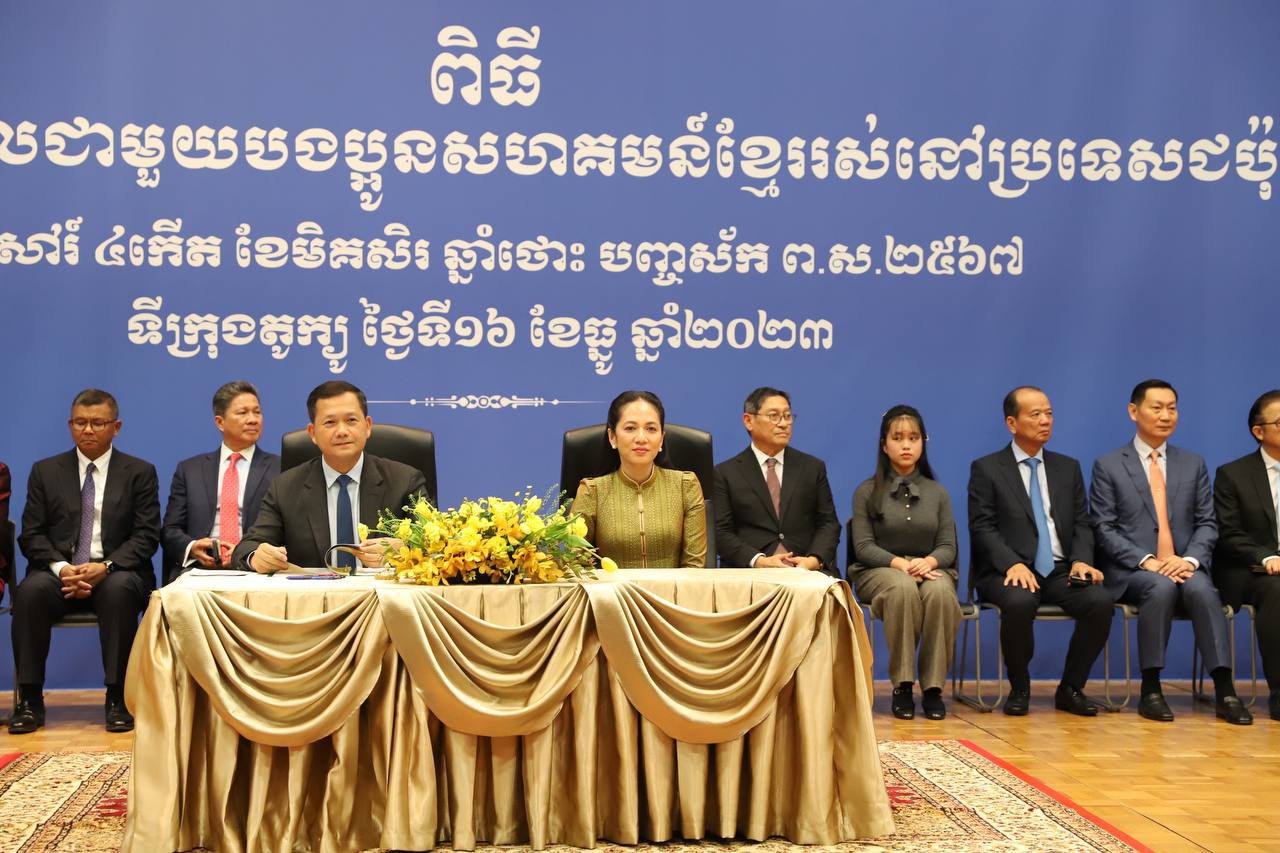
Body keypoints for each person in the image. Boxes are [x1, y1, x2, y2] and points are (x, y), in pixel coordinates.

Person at [1092, 379, 1251, 725]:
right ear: (1133, 411)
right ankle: (1151, 690)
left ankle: (1225, 690)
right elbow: (1104, 528)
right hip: (1135, 570)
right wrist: (1147, 560)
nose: (1166, 416)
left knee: (1203, 590)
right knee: (1159, 587)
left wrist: (1189, 559)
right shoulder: (1109, 465)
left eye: (1172, 408)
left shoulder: (1192, 463)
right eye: (1157, 407)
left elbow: (1207, 522)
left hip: (1184, 565)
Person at [9, 389, 161, 734]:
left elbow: (146, 536)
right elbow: (32, 535)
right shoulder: (45, 471)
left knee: (120, 590)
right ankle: (30, 700)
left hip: (116, 572)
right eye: (80, 422)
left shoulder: (139, 472)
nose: (88, 430)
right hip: (59, 573)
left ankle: (118, 698)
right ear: (70, 425)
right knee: (30, 592)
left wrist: (104, 568)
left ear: (116, 427)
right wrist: (63, 569)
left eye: (97, 423)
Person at [969, 386, 1113, 717]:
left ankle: (1071, 688)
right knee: (1019, 602)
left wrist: (1081, 560)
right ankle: (1020, 687)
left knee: (1100, 602)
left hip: (1060, 570)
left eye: (1049, 414)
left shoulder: (1067, 467)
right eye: (1035, 415)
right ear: (1012, 423)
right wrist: (1011, 563)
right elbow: (982, 527)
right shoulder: (988, 468)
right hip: (1008, 570)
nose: (1045, 421)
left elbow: (1082, 522)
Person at [231, 381, 426, 572]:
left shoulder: (405, 481)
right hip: (314, 593)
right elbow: (248, 547)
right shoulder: (284, 488)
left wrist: (407, 549)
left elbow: (435, 544)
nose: (342, 431)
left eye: (351, 420)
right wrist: (256, 557)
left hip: (382, 592)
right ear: (312, 433)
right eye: (330, 422)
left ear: (367, 426)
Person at [849, 405, 961, 720]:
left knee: (941, 593)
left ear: (924, 442)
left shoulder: (938, 493)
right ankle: (903, 684)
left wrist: (930, 561)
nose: (906, 445)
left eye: (913, 438)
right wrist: (899, 563)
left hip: (929, 569)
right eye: (897, 438)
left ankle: (933, 688)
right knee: (902, 588)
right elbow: (863, 547)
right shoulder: (866, 491)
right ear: (884, 445)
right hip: (880, 571)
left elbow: (948, 546)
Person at [571, 390, 707, 568]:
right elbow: (575, 562)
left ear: (661, 439)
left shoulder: (685, 486)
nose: (641, 438)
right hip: (611, 587)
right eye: (630, 428)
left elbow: (694, 567)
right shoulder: (592, 491)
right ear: (612, 437)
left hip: (675, 587)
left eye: (651, 429)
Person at [161, 381, 280, 582]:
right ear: (220, 422)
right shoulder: (189, 470)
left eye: (257, 412)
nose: (252, 419)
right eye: (242, 413)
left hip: (257, 569)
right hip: (199, 570)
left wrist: (247, 553)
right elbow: (170, 530)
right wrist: (193, 547)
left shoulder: (281, 468)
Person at [712, 387, 840, 573]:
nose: (784, 424)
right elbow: (720, 533)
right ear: (748, 421)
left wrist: (813, 560)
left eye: (787, 416)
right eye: (774, 416)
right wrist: (759, 561)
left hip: (807, 570)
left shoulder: (812, 468)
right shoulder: (725, 473)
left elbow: (828, 524)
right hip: (751, 572)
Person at [1214, 389, 1280, 721]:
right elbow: (1229, 534)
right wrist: (1266, 557)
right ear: (1259, 431)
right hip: (1248, 570)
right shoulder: (1233, 474)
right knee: (1277, 589)